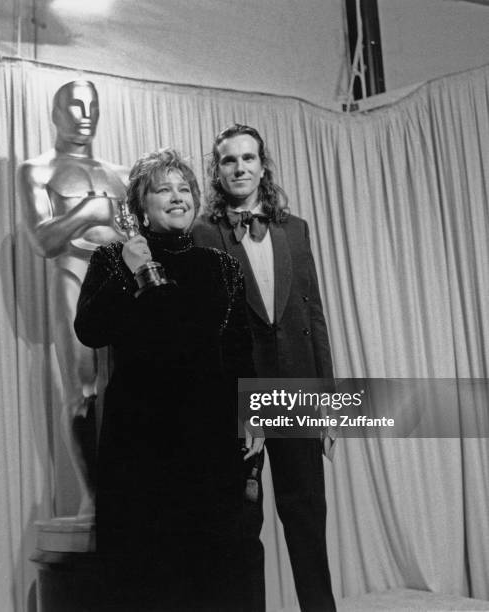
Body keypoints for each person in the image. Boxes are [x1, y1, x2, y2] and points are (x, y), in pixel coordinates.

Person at [74, 148, 260, 611]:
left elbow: (240, 352)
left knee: (214, 570)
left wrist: (252, 416)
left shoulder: (222, 267)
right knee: (148, 573)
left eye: (184, 189)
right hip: (140, 440)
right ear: (142, 204)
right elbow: (90, 329)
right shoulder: (114, 260)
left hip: (209, 441)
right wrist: (137, 272)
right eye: (163, 189)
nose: (177, 198)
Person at [193, 124, 337, 612]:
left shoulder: (295, 229)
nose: (240, 168)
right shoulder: (202, 233)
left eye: (248, 158)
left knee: (306, 516)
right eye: (229, 160)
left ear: (262, 165)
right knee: (241, 525)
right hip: (240, 395)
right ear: (217, 170)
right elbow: (203, 330)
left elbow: (312, 314)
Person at [18, 80, 128, 517]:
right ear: (55, 112)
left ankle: (130, 487)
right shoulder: (37, 170)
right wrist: (91, 212)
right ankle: (95, 496)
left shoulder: (121, 173)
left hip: (121, 274)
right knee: (83, 392)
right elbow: (44, 240)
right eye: (74, 105)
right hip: (73, 272)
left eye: (92, 105)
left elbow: (138, 235)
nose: (84, 114)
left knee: (132, 386)